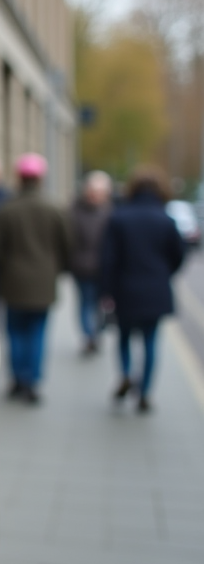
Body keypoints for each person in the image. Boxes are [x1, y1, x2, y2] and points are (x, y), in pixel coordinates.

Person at [0, 153, 71, 404]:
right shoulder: (54, 209)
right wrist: (57, 269)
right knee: (37, 331)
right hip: (44, 281)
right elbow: (67, 245)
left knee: (15, 331)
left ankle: (18, 379)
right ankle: (32, 380)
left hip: (13, 281)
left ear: (19, 178)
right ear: (41, 178)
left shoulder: (6, 209)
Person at [99, 166, 185, 412]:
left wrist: (106, 290)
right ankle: (145, 391)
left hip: (125, 288)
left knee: (124, 337)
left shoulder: (119, 218)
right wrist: (163, 274)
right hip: (156, 289)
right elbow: (178, 255)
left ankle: (126, 374)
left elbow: (108, 259)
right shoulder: (166, 220)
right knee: (150, 341)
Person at [69, 171, 112, 354]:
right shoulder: (75, 210)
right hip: (83, 267)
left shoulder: (110, 212)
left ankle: (93, 334)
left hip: (102, 267)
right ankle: (90, 335)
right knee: (87, 302)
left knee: (98, 303)